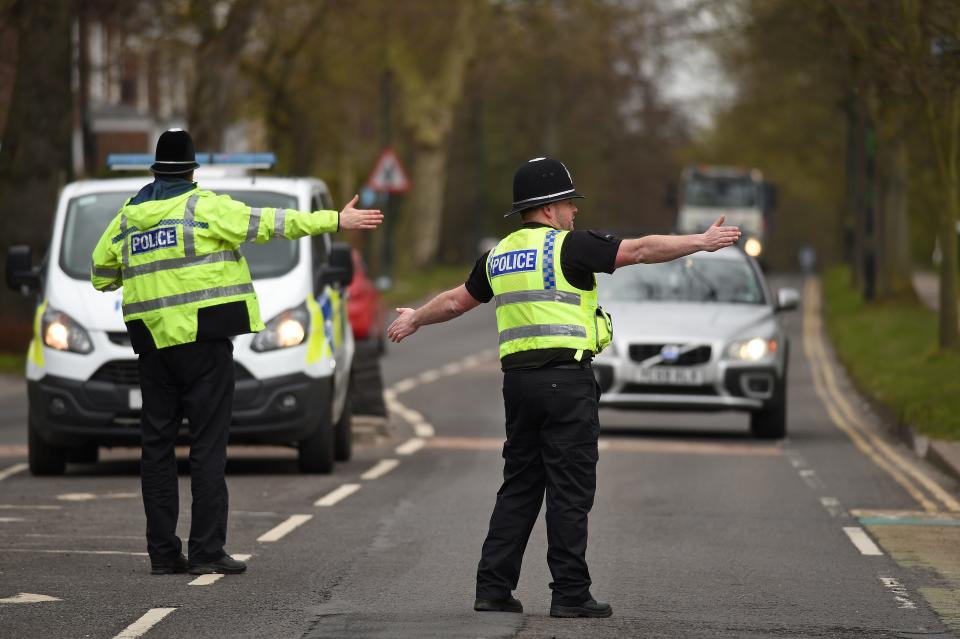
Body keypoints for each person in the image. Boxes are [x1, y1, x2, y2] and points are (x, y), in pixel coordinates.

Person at [387, 157, 740, 618]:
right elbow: (640, 250)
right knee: (570, 489)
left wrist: (415, 317)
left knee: (519, 485)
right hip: (566, 382)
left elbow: (456, 302)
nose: (575, 212)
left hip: (519, 386)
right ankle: (570, 592)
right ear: (550, 208)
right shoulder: (570, 247)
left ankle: (493, 588)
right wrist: (700, 241)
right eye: (570, 203)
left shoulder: (498, 256)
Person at [90, 129, 382, 576]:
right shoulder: (203, 207)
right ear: (191, 169)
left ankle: (164, 554)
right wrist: (333, 221)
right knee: (207, 447)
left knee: (157, 450)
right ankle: (207, 550)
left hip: (153, 348)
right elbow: (271, 223)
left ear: (155, 170)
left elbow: (100, 273)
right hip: (205, 346)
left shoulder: (127, 219)